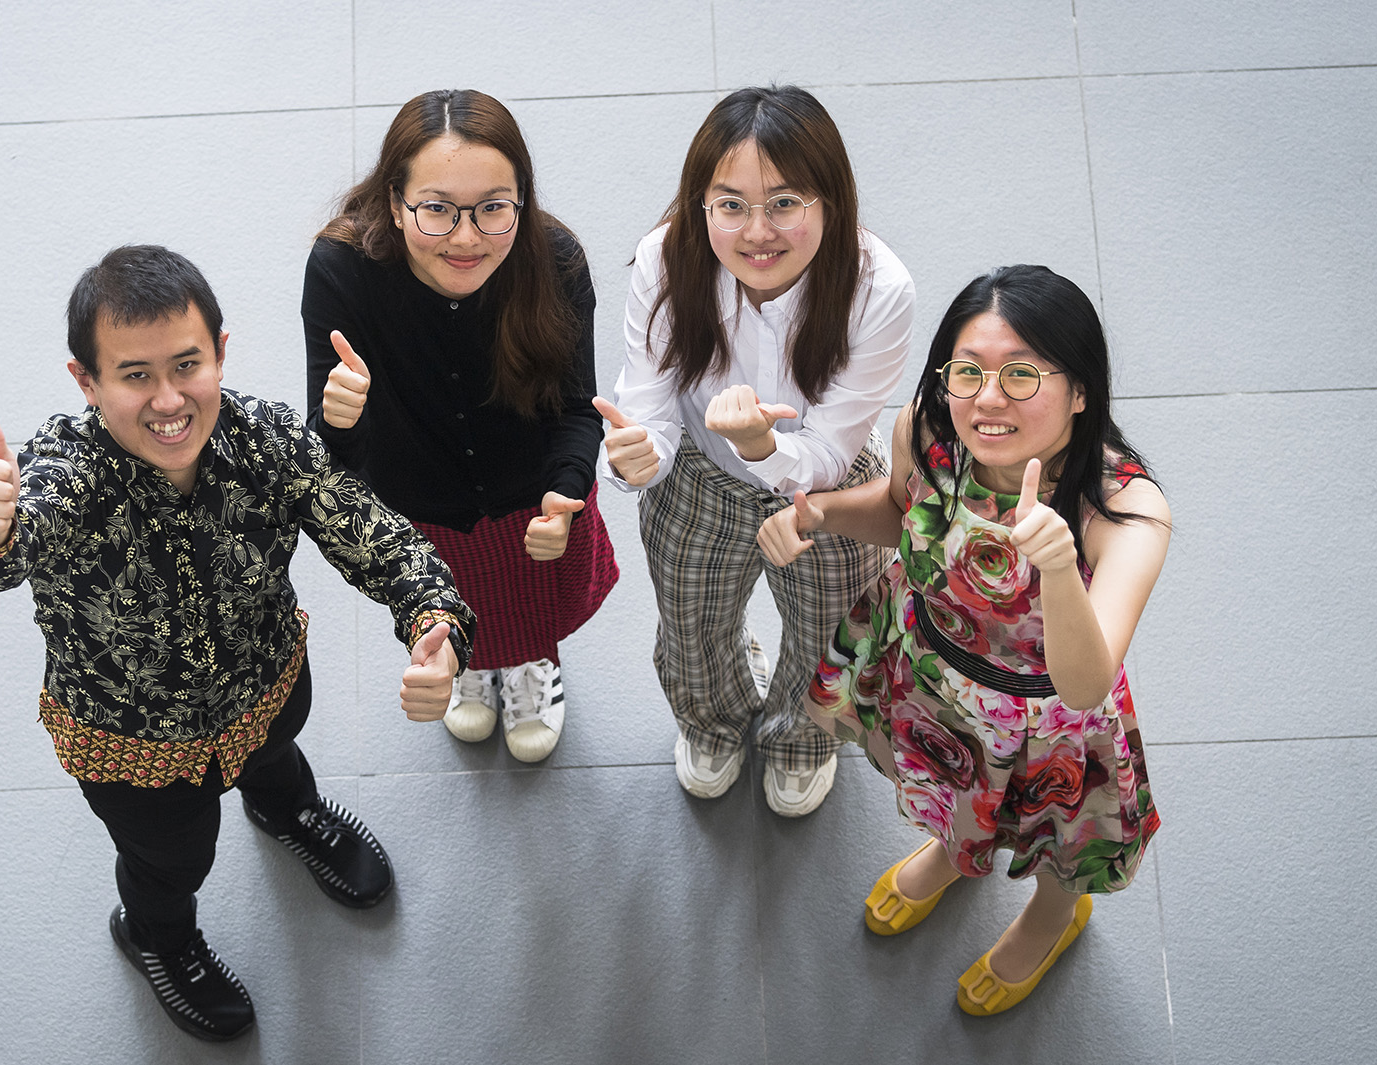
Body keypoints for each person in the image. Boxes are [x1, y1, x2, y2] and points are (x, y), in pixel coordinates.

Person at [0, 245, 474, 1042]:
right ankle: (158, 935)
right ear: (86, 383)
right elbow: (14, 543)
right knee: (171, 862)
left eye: (187, 364)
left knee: (278, 762)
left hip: (264, 682)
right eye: (134, 375)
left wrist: (434, 621)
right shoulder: (66, 466)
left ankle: (291, 813)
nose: (168, 400)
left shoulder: (264, 437)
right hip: (133, 745)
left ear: (221, 352)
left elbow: (367, 530)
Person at [757, 264, 1170, 1014]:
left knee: (1052, 836)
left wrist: (1058, 571)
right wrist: (817, 514)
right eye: (968, 371)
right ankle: (956, 852)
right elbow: (897, 511)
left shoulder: (1125, 510)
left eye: (1021, 375)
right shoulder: (927, 429)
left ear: (1081, 389)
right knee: (952, 792)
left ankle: (1054, 911)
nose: (987, 398)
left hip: (1047, 720)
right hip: (932, 671)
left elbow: (1086, 681)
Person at [597, 85, 914, 816]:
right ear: (700, 202)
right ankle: (711, 719)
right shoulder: (666, 258)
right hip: (698, 477)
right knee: (692, 620)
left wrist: (767, 448)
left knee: (831, 627)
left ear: (830, 202)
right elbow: (646, 398)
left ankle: (804, 739)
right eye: (730, 203)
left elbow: (833, 446)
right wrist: (636, 454)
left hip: (826, 493)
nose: (757, 231)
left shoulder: (880, 287)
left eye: (785, 202)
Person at [303, 89, 617, 763]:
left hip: (536, 502)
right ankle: (467, 663)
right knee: (452, 609)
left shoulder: (555, 261)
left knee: (535, 610)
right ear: (395, 201)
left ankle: (534, 663)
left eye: (493, 208)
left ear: (521, 200)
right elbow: (328, 464)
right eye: (438, 209)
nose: (467, 236)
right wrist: (340, 418)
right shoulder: (341, 271)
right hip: (419, 510)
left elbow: (575, 407)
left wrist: (566, 490)